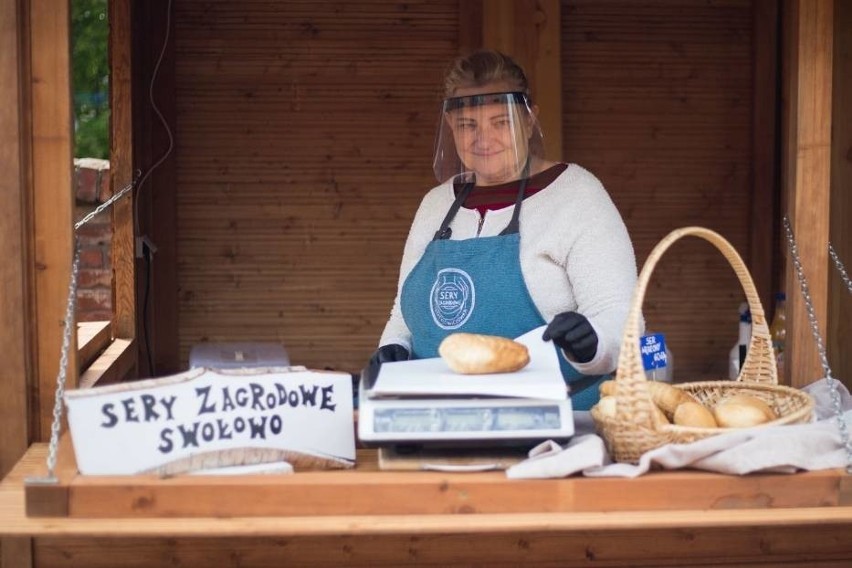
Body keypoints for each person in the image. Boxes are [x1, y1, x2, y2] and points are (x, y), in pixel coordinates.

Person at [365, 49, 638, 410]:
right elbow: (403, 314)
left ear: (529, 120)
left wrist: (593, 342)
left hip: (559, 426)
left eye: (501, 122)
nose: (484, 139)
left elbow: (623, 321)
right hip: (438, 419)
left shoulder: (577, 195)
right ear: (450, 127)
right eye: (467, 125)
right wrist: (392, 349)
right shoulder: (435, 205)